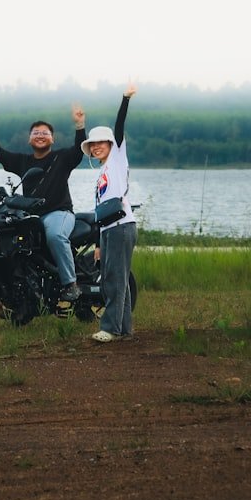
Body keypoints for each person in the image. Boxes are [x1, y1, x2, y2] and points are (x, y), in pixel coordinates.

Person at [0, 103, 87, 312]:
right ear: (29, 138)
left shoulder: (62, 158)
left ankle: (70, 283)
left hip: (59, 213)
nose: (40, 135)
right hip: (31, 216)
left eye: (45, 133)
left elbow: (78, 151)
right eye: (36, 132)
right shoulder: (22, 161)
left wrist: (80, 125)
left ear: (52, 139)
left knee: (56, 236)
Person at [81, 83, 138, 343]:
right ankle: (124, 328)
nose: (96, 148)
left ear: (110, 144)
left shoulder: (117, 158)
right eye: (92, 145)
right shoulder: (102, 172)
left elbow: (119, 125)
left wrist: (124, 99)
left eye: (100, 143)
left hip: (121, 225)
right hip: (108, 229)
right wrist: (97, 243)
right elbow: (100, 209)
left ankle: (111, 328)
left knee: (114, 279)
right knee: (119, 278)